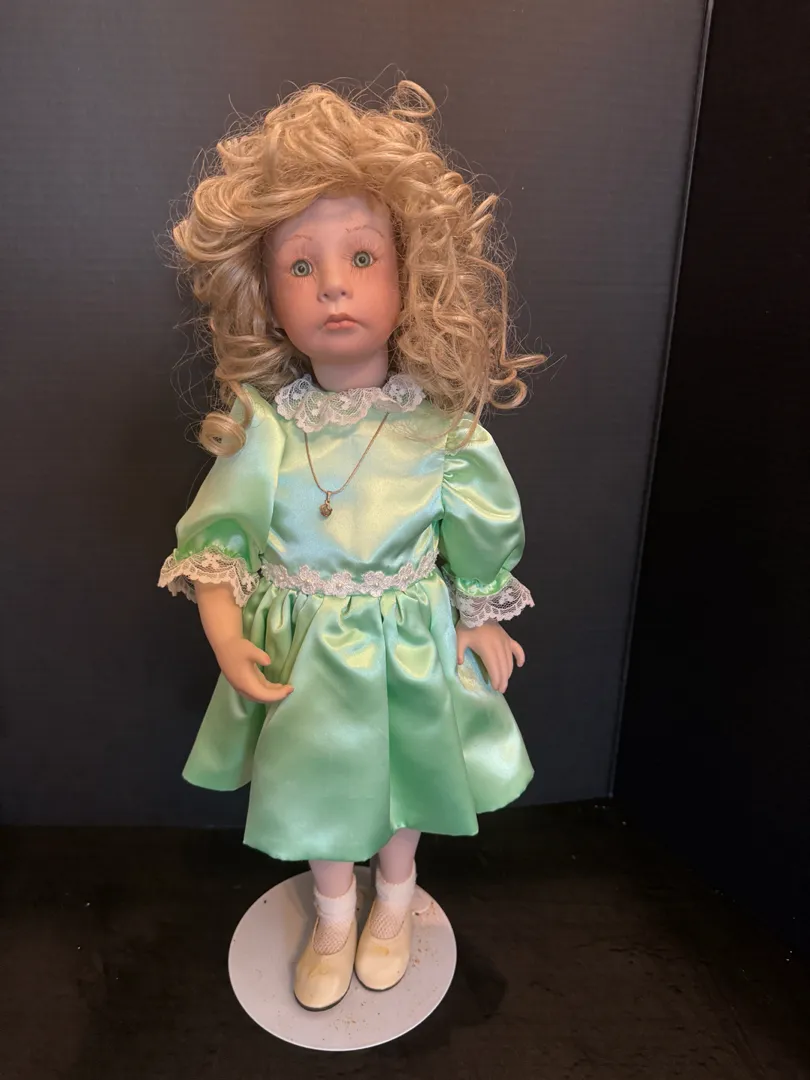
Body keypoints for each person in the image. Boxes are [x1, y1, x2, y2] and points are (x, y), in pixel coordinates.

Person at [159, 80, 544, 1011]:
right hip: (308, 656)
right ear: (266, 296)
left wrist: (481, 614)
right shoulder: (266, 429)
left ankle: (396, 898)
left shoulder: (441, 433)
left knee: (410, 782)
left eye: (362, 256)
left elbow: (477, 533)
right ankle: (335, 912)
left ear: (411, 279)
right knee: (319, 786)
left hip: (409, 644)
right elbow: (219, 539)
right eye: (301, 266)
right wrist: (225, 630)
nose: (333, 284)